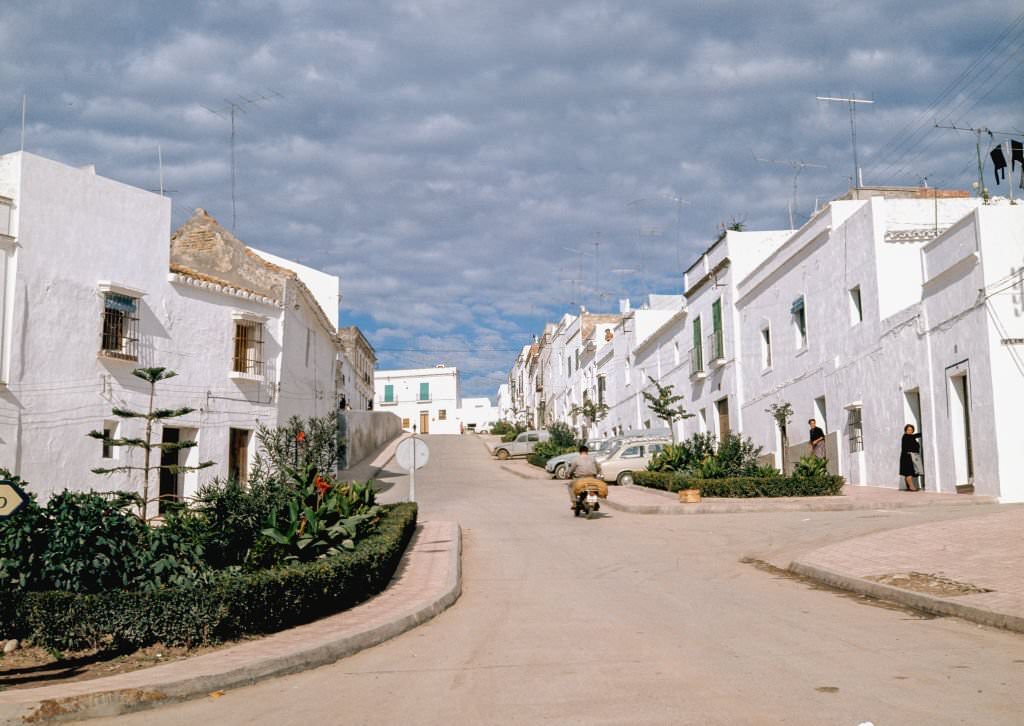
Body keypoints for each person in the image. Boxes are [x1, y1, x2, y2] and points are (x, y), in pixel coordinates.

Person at [900, 424, 923, 491]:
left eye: (911, 430)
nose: (910, 431)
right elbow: (915, 437)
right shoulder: (906, 436)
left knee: (908, 472)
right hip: (907, 457)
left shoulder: (910, 436)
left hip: (908, 456)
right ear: (905, 430)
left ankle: (908, 487)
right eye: (908, 430)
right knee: (908, 472)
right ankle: (912, 487)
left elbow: (916, 435)